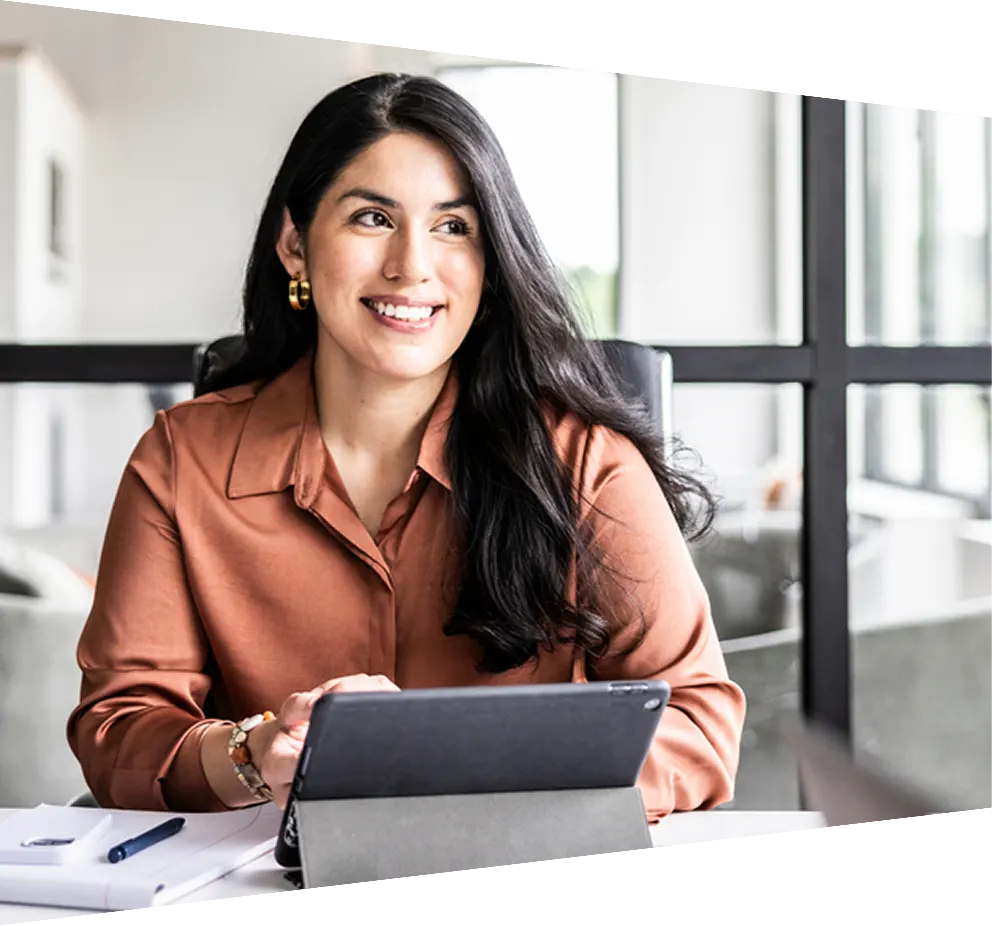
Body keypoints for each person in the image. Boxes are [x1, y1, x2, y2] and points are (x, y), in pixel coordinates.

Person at [66, 72, 746, 820]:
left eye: (454, 228)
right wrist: (253, 755)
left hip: (516, 878)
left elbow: (697, 727)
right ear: (295, 245)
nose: (412, 267)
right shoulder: (180, 459)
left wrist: (461, 761)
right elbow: (120, 728)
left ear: (490, 266)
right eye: (371, 219)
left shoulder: (584, 463)